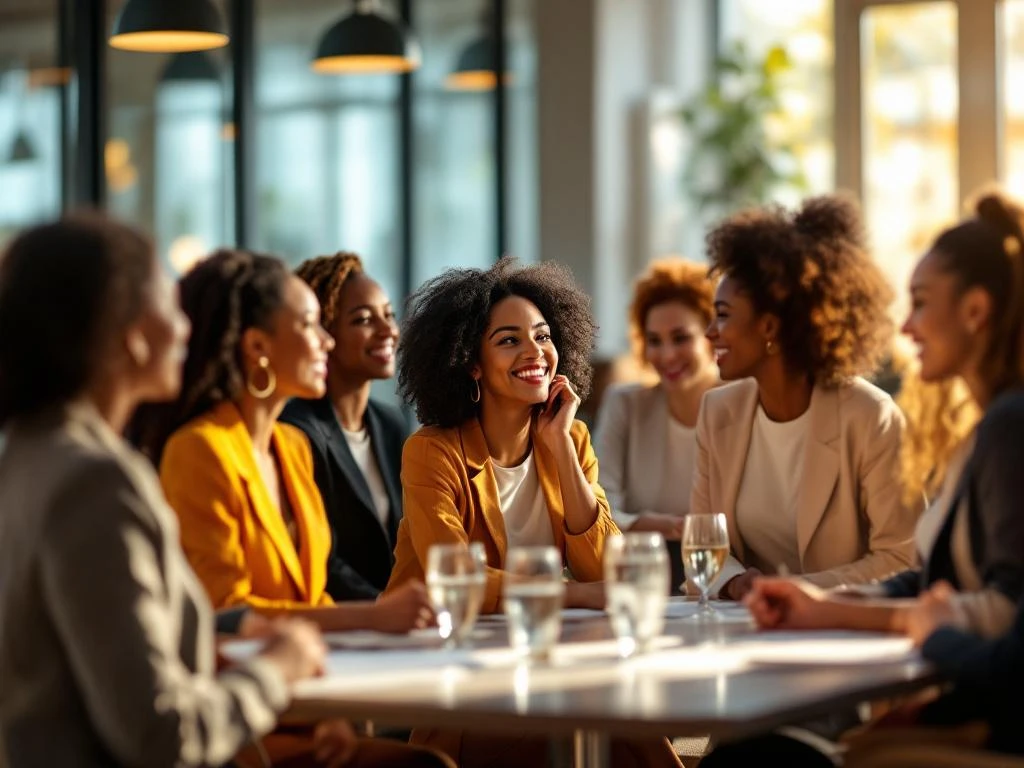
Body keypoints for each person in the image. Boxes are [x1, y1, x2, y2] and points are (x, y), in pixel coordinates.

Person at [705, 190, 1024, 765]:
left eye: (922, 303)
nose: (907, 326)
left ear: (976, 311)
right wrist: (819, 605)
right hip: (960, 706)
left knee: (756, 758)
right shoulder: (985, 426)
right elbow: (930, 582)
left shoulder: (1008, 426)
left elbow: (1004, 618)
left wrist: (934, 635)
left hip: (991, 729)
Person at [0, 215, 327, 767]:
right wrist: (277, 669)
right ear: (127, 334)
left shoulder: (26, 458)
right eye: (169, 303)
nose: (184, 328)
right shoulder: (97, 482)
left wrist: (214, 647)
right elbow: (161, 737)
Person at [384, 256, 681, 768]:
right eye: (508, 340)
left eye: (543, 336)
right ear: (471, 363)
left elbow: (606, 566)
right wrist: (582, 596)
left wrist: (560, 448)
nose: (534, 353)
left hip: (546, 655)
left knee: (630, 728)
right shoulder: (431, 452)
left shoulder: (572, 438)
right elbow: (453, 578)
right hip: (454, 665)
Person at [134, 249, 432, 634]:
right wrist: (372, 616)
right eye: (309, 325)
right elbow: (225, 611)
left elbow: (313, 596)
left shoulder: (292, 447)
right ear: (258, 347)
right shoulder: (200, 450)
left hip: (320, 665)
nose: (325, 341)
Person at [692, 194, 917, 599]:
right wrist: (737, 582)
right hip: (746, 628)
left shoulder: (871, 416)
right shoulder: (718, 410)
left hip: (843, 633)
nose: (709, 332)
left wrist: (793, 592)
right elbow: (704, 550)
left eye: (723, 315)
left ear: (770, 326)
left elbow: (901, 559)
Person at [280, 253, 407, 601]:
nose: (388, 331)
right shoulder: (296, 430)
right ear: (325, 331)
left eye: (389, 315)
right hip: (344, 622)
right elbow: (319, 557)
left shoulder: (391, 424)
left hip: (400, 622)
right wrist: (381, 608)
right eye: (364, 320)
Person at [595, 257, 719, 593]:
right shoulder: (624, 404)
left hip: (727, 574)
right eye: (654, 340)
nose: (666, 355)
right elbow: (600, 509)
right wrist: (657, 526)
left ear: (712, 335)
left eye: (681, 338)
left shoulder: (743, 404)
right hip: (641, 573)